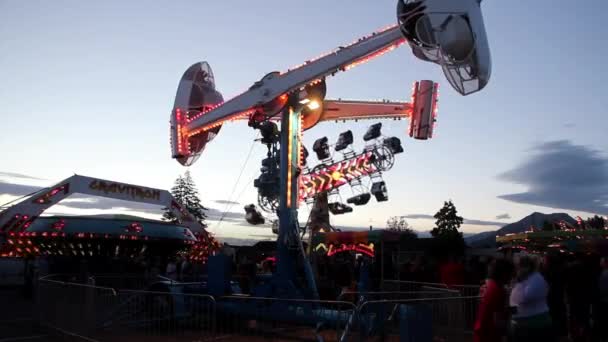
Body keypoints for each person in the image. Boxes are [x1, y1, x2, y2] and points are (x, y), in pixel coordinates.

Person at [509, 255, 554, 342]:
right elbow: (514, 300)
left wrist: (516, 285)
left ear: (527, 267)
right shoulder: (524, 279)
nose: (517, 270)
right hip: (523, 325)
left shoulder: (536, 278)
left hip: (535, 326)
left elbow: (525, 297)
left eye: (519, 267)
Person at [473, 258, 513, 342]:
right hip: (489, 335)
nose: (512, 277)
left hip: (481, 332)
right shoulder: (498, 290)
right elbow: (497, 321)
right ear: (504, 274)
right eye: (511, 273)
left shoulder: (489, 285)